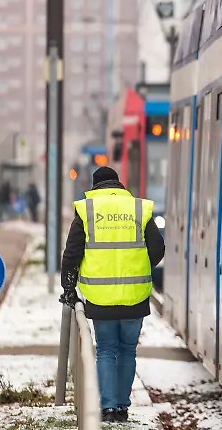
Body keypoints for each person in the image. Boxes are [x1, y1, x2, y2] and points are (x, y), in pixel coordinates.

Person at [59, 166, 164, 423]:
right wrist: (137, 264)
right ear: (119, 184)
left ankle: (108, 408)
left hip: (100, 299)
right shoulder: (139, 209)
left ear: (95, 187)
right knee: (128, 351)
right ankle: (122, 407)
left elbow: (71, 255)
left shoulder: (87, 210)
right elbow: (158, 250)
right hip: (135, 297)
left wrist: (68, 290)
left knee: (105, 350)